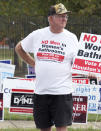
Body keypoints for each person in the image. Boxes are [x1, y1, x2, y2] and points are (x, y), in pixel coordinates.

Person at [15, 3, 78, 131]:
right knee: (44, 128)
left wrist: (90, 71)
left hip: (62, 92)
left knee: (61, 128)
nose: (64, 19)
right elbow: (19, 48)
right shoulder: (38, 34)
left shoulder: (71, 38)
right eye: (60, 16)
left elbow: (79, 62)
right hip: (41, 91)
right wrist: (34, 63)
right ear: (50, 19)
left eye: (66, 16)